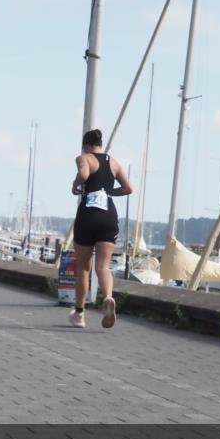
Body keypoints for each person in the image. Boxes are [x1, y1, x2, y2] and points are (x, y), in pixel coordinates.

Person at [70, 128, 133, 329]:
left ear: (85, 145)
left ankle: (79, 314)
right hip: (108, 215)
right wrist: (109, 192)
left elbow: (83, 174)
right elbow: (128, 188)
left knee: (83, 267)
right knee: (103, 267)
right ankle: (107, 297)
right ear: (100, 144)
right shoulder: (113, 162)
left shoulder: (84, 158)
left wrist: (75, 184)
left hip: (88, 214)